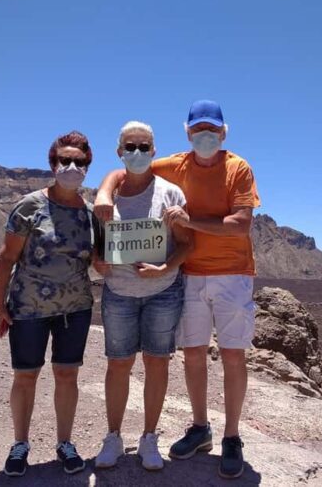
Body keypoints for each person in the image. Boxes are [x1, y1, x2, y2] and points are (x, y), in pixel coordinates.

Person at [94, 101, 260, 479]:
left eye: (213, 130)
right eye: (199, 129)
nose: (206, 136)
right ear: (187, 133)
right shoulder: (172, 165)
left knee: (233, 356)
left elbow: (240, 225)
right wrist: (104, 191)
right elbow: (124, 172)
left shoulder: (238, 168)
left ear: (224, 133)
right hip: (191, 276)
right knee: (193, 355)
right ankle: (200, 427)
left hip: (233, 272)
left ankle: (232, 437)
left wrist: (189, 222)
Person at [90, 121, 194, 471]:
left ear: (154, 151)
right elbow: (96, 244)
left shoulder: (171, 194)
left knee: (157, 362)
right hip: (119, 292)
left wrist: (165, 270)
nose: (137, 153)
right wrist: (96, 261)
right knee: (118, 364)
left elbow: (186, 244)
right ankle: (114, 436)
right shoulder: (107, 197)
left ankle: (149, 437)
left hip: (162, 294)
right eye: (130, 147)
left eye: (144, 147)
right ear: (120, 152)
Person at [0, 130, 96, 477]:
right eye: (64, 160)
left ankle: (65, 443)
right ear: (52, 164)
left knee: (67, 375)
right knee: (26, 376)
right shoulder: (29, 205)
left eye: (78, 162)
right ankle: (20, 444)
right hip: (28, 307)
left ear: (87, 166)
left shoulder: (91, 212)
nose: (71, 166)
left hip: (76, 308)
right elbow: (7, 257)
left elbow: (99, 261)